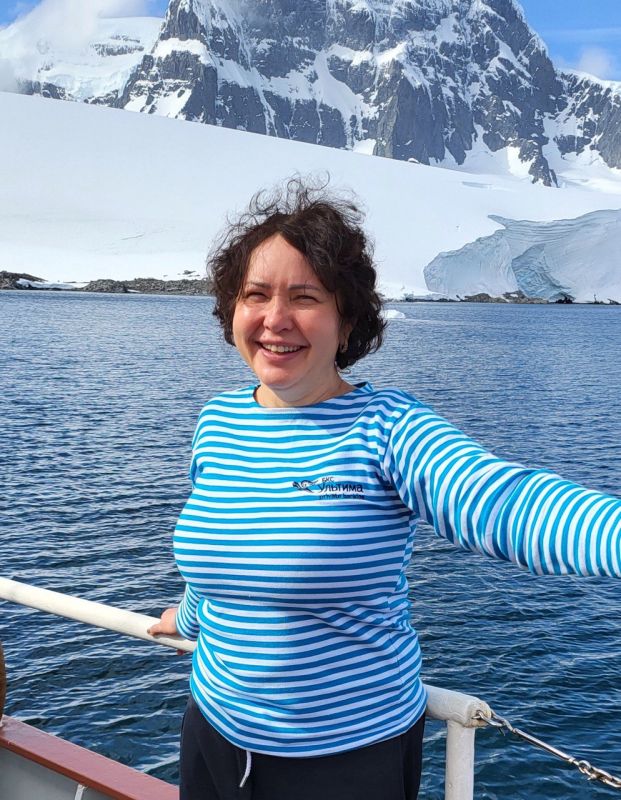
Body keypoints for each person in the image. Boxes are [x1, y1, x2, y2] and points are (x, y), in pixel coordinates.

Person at [148, 180, 621, 800]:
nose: (275, 319)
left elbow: (502, 503)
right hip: (215, 732)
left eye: (305, 297)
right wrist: (186, 616)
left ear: (346, 320)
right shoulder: (219, 421)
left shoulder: (388, 428)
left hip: (344, 757)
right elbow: (224, 547)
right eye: (255, 295)